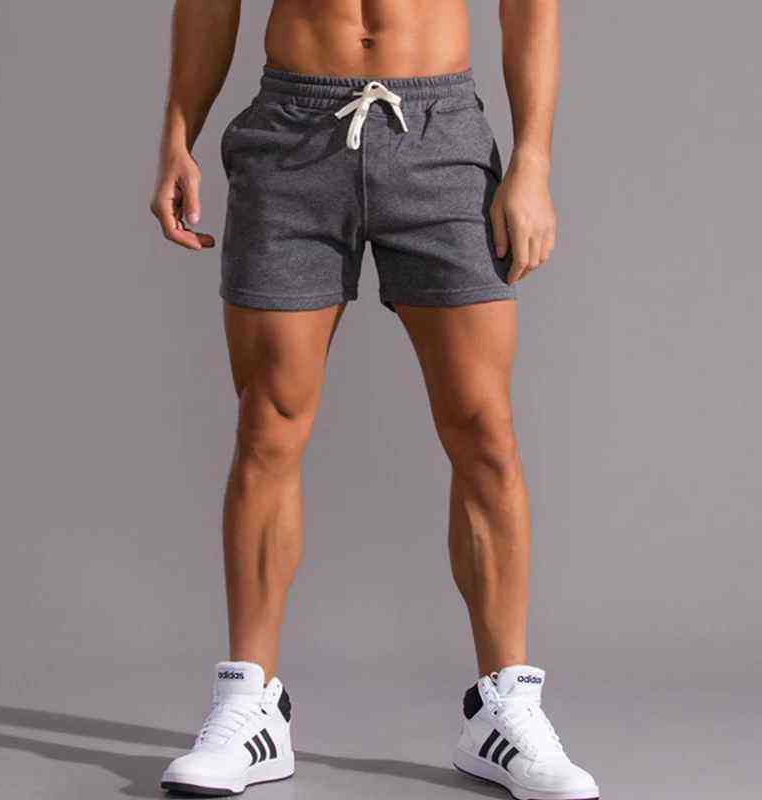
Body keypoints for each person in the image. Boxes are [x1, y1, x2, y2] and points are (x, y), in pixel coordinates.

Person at [150, 2, 598, 798]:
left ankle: (505, 709)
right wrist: (177, 136)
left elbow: (530, 9)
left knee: (484, 430)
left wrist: (532, 162)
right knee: (268, 426)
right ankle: (250, 704)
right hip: (292, 135)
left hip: (440, 134)